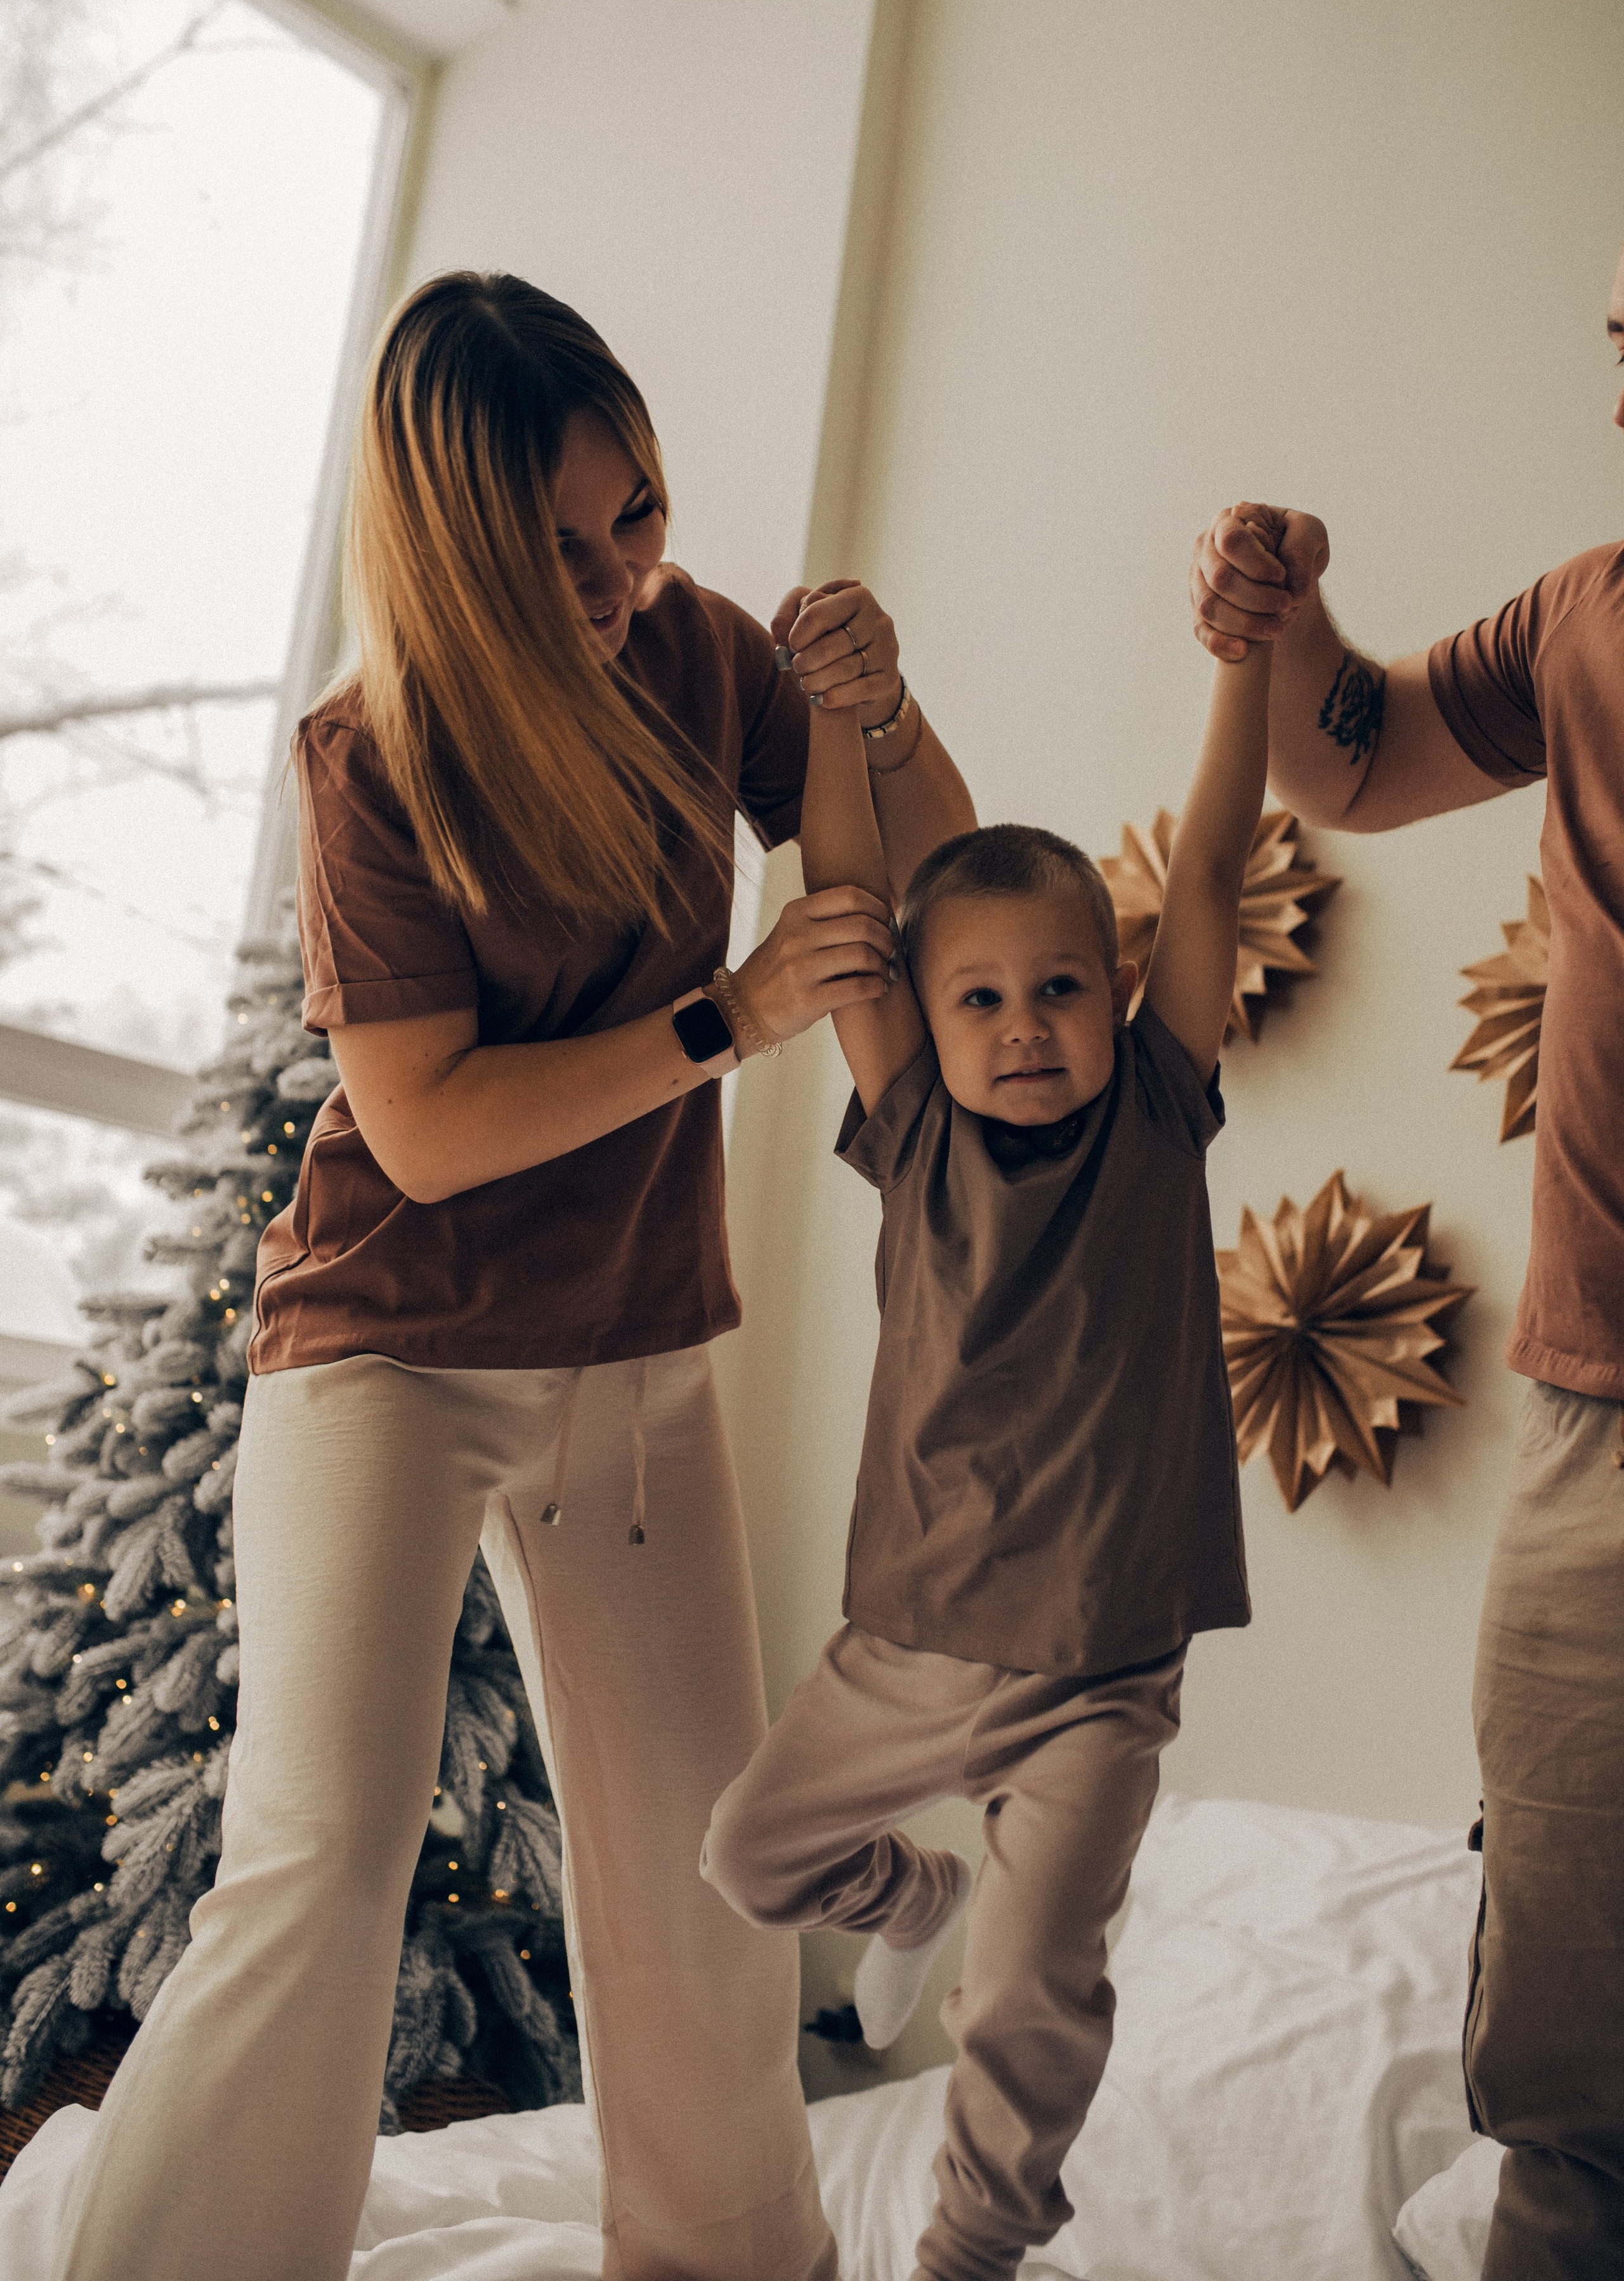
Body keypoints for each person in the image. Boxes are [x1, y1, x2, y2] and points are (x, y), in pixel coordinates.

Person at [51, 270, 975, 2281]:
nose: (622, 574)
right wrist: (720, 1025)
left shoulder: (700, 650)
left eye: (638, 512)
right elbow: (430, 1127)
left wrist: (877, 710)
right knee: (321, 1858)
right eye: (562, 549)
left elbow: (906, 886)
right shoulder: (369, 757)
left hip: (634, 1359)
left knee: (700, 1870)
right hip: (385, 1349)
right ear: (457, 550)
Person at [700, 593, 1270, 2280]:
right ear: (927, 1025)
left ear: (1119, 997)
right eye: (985, 1002)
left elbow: (1223, 866)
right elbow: (851, 902)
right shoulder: (911, 1135)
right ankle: (917, 1907)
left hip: (1095, 1672)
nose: (1026, 1026)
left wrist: (1247, 657)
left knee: (1029, 1997)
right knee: (747, 1854)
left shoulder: (1158, 1118)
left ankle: (970, 2253)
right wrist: (839, 710)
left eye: (1064, 990)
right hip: (907, 1649)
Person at [1184, 245, 1624, 2281]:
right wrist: (1287, 626)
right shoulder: (1588, 614)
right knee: (1570, 2094)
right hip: (1591, 1423)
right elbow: (1348, 760)